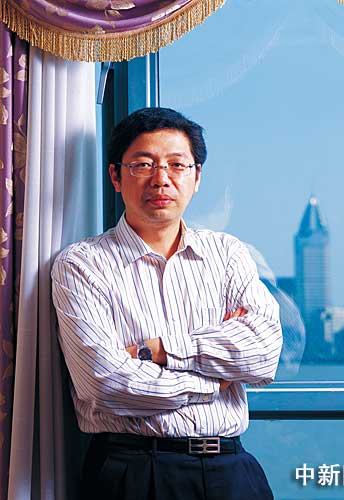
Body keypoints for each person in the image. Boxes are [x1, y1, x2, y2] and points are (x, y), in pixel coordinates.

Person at [51, 107, 283, 500]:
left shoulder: (227, 254)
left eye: (177, 164)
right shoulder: (82, 264)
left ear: (197, 177)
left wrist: (158, 351)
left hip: (232, 469)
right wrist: (214, 381)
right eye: (143, 164)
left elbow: (262, 356)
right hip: (135, 470)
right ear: (115, 176)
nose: (161, 178)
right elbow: (105, 384)